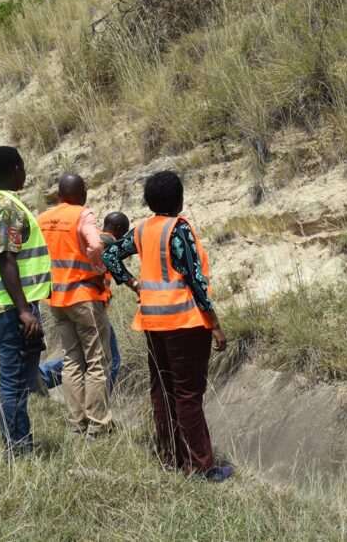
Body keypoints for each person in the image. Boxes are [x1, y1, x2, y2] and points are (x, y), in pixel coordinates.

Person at [102, 171, 234, 482]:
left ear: (149, 202)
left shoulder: (143, 230)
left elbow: (109, 255)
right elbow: (196, 281)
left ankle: (171, 456)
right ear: (180, 199)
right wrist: (214, 324)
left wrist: (133, 284)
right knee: (188, 394)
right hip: (185, 324)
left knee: (162, 391)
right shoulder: (179, 230)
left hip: (153, 322)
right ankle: (201, 468)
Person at [0, 146, 51, 456]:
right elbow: (7, 259)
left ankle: (16, 444)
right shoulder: (4, 206)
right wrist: (23, 310)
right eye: (23, 167)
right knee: (14, 380)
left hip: (8, 306)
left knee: (19, 377)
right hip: (9, 309)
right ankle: (18, 449)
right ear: (16, 169)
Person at [37, 173, 113, 439]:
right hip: (84, 297)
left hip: (56, 299)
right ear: (83, 194)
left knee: (71, 360)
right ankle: (97, 425)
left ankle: (76, 424)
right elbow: (95, 243)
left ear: (59, 195)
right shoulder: (82, 215)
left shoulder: (43, 219)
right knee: (96, 361)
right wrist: (98, 268)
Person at [39, 211, 128, 391]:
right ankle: (100, 405)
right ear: (119, 230)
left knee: (77, 357)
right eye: (124, 232)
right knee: (110, 361)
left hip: (67, 303)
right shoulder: (107, 242)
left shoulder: (89, 240)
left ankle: (42, 376)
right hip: (90, 306)